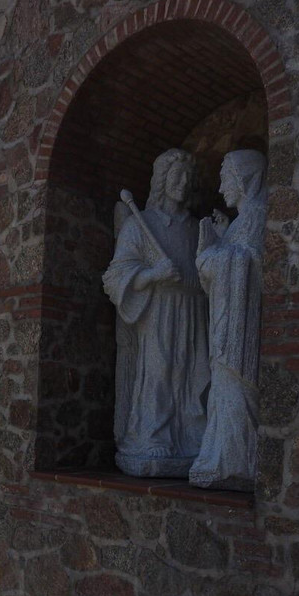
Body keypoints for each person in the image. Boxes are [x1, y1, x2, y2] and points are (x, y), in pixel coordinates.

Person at [103, 149, 210, 478]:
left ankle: (191, 438)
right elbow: (115, 275)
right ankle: (153, 437)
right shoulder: (141, 225)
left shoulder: (196, 228)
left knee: (193, 373)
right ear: (162, 181)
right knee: (160, 372)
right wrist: (153, 276)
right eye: (176, 176)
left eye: (187, 178)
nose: (182, 183)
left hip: (194, 308)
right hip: (159, 309)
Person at [189, 149, 267, 490]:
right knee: (224, 390)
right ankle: (225, 457)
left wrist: (209, 254)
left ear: (244, 179)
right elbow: (236, 257)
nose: (221, 190)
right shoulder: (243, 220)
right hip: (228, 322)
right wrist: (221, 241)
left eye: (226, 180)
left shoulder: (256, 216)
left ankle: (234, 462)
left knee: (233, 389)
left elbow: (247, 263)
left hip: (239, 330)